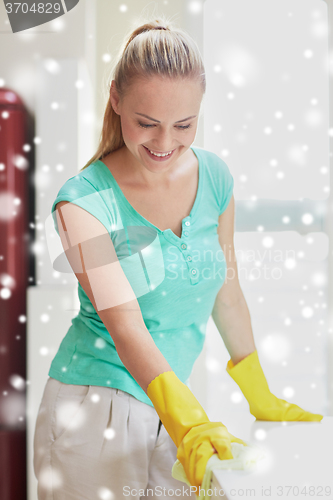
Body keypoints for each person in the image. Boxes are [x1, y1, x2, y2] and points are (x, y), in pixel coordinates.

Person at [33, 16, 323, 500]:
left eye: (184, 125)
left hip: (173, 404)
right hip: (94, 409)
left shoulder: (214, 177)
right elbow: (125, 326)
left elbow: (225, 292)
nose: (164, 143)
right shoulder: (82, 202)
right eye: (147, 124)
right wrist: (188, 420)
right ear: (116, 99)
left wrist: (259, 394)